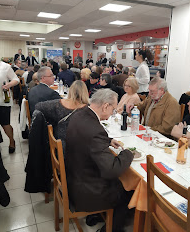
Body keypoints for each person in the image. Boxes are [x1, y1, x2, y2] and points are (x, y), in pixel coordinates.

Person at [65, 89, 134, 231]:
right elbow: (112, 170)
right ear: (105, 106)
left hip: (73, 177)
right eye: (113, 109)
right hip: (86, 189)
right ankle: (111, 228)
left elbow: (86, 138)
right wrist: (128, 154)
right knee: (128, 190)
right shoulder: (95, 130)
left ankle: (96, 215)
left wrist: (107, 141)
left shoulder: (79, 113)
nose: (111, 115)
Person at [35, 80, 89, 153]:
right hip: (78, 150)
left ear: (71, 91)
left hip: (60, 145)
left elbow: (38, 106)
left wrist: (51, 119)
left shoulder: (58, 104)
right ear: (85, 92)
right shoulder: (88, 109)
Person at [0, 45, 19, 153]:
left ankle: (12, 140)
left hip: (2, 100)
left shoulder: (5, 66)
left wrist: (9, 84)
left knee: (4, 124)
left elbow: (16, 79)